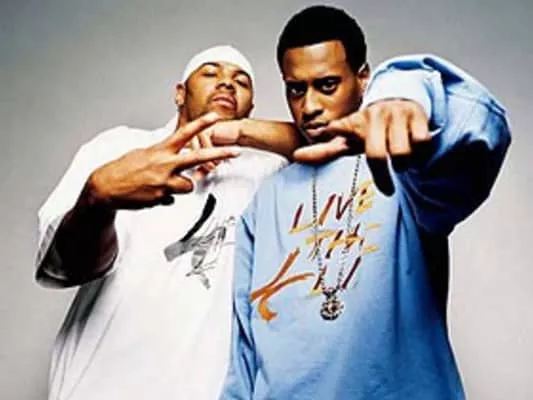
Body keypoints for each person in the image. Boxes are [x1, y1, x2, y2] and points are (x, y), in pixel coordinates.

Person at [221, 6, 511, 400]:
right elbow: (244, 343)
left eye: (327, 85)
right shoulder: (265, 198)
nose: (309, 106)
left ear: (362, 79)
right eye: (296, 89)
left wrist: (401, 92)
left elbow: (479, 134)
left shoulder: (409, 168)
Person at [36, 45, 300, 400]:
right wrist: (97, 200)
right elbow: (60, 269)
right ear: (179, 93)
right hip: (99, 385)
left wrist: (239, 132)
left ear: (250, 108)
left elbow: (338, 140)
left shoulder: (265, 171)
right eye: (210, 73)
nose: (226, 82)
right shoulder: (122, 148)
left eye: (241, 81)